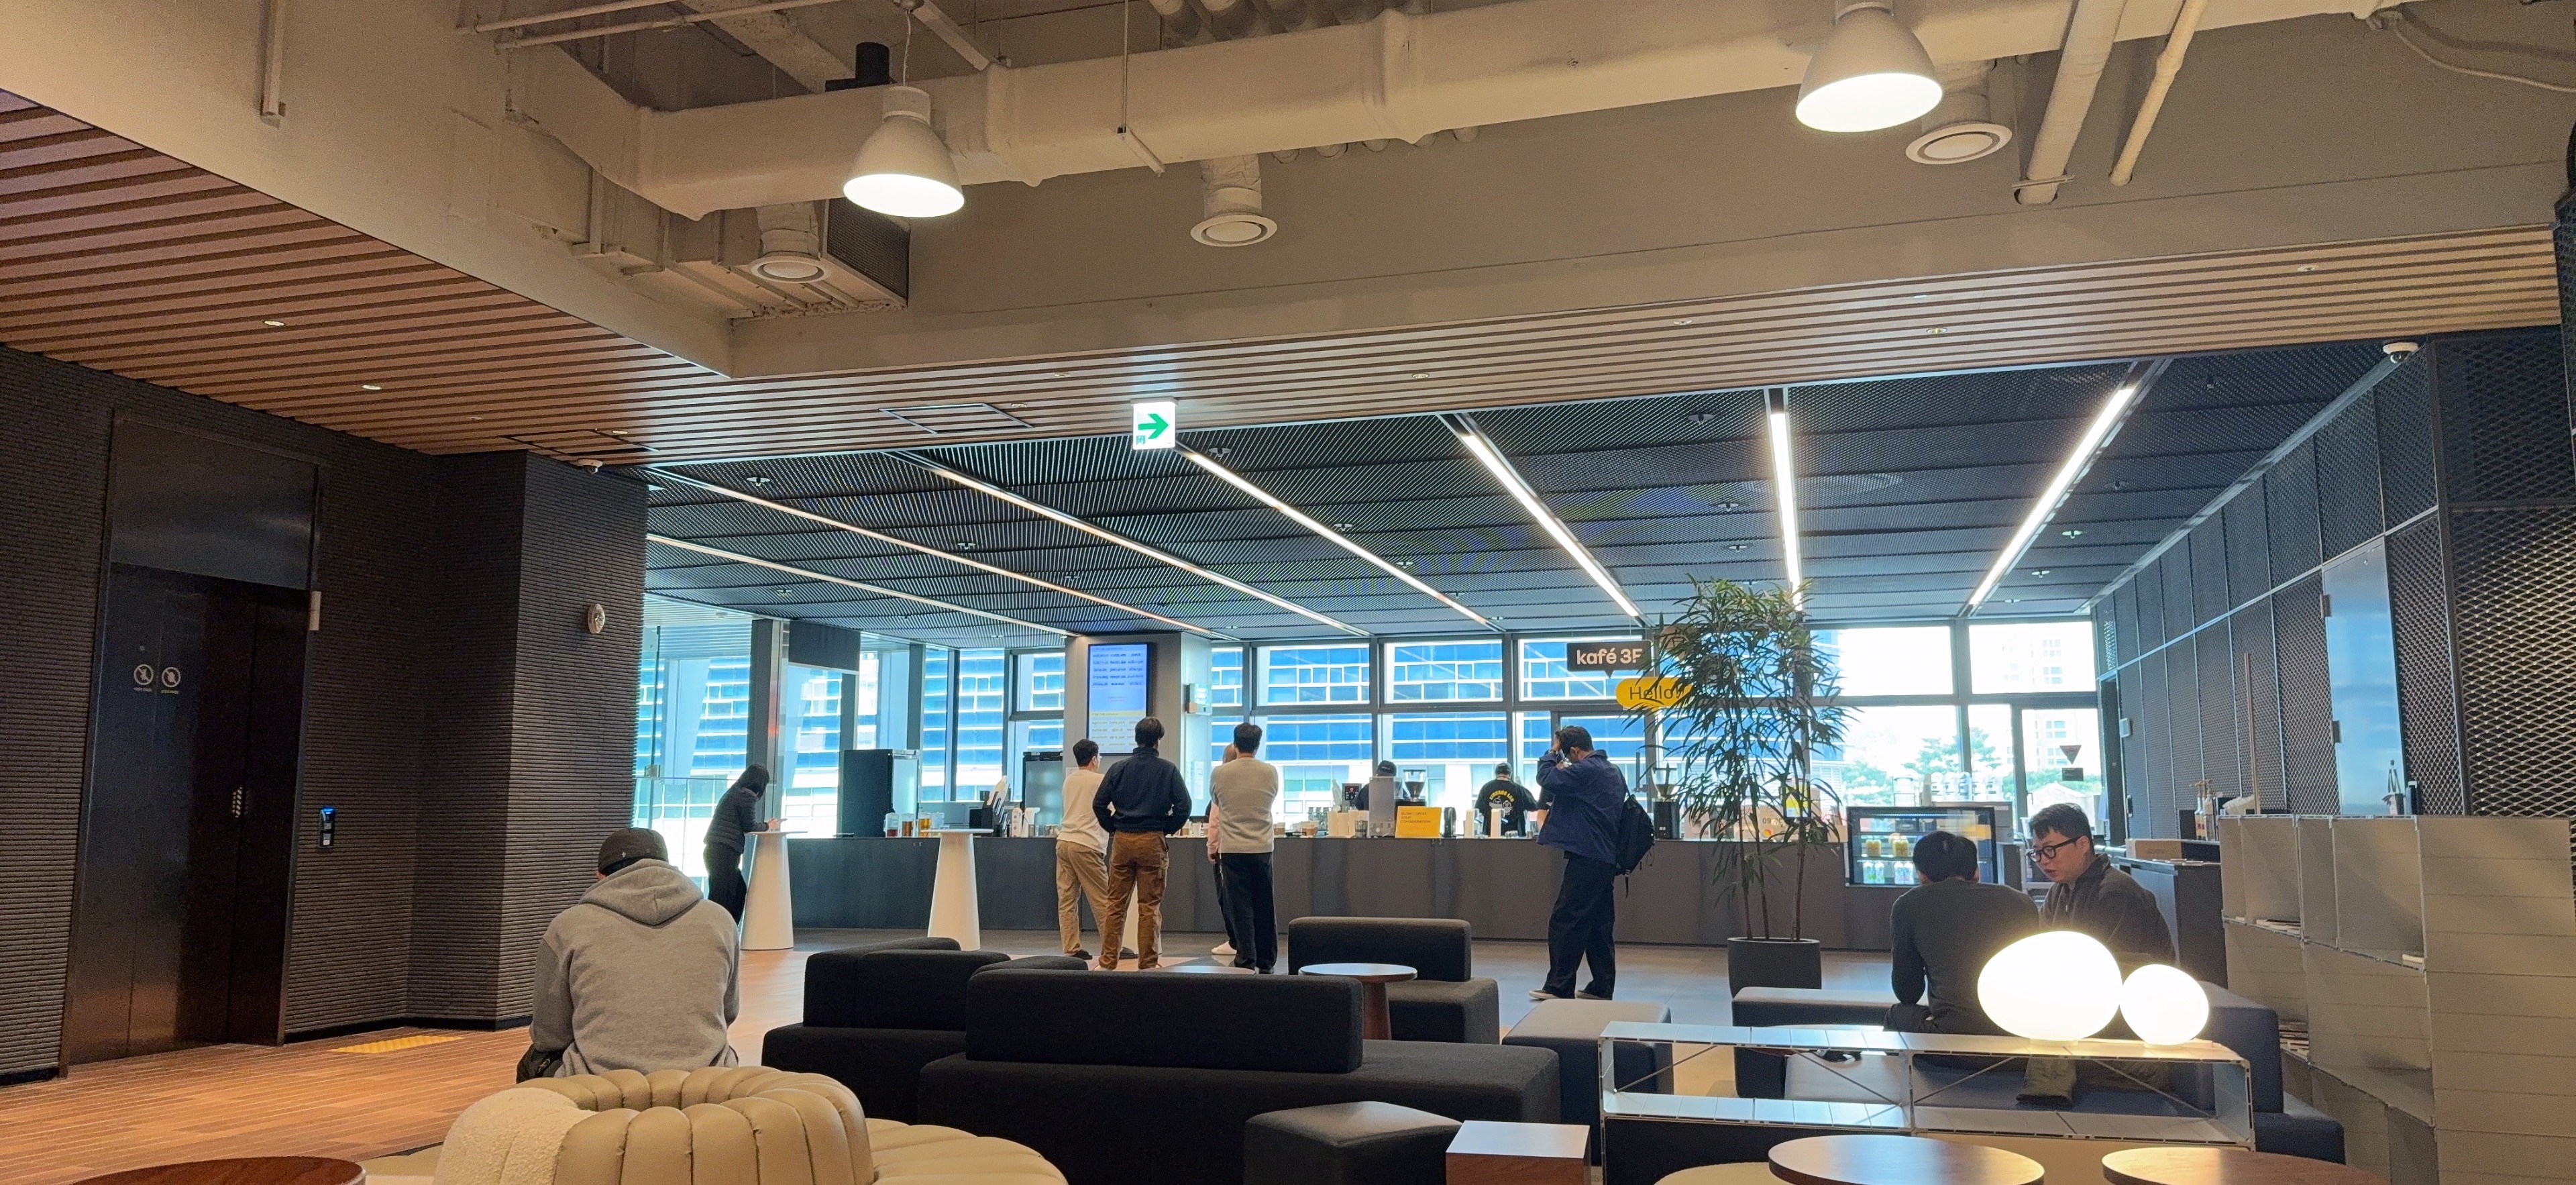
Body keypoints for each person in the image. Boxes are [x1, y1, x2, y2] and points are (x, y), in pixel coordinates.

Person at [526, 829, 740, 1078]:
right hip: (704, 1080)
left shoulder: (568, 926)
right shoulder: (720, 920)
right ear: (667, 867)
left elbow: (551, 1034)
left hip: (601, 1084)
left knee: (533, 1061)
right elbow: (728, 1011)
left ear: (600, 877)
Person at [2021, 802, 2176, 1104]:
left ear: (2082, 844)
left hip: (2134, 1035)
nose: (2043, 860)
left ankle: (2047, 1092)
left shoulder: (2116, 892)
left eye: (2050, 850)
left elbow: (2105, 978)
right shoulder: (2059, 892)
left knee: (2047, 1020)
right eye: (2037, 852)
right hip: (2093, 1025)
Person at [1885, 830, 2040, 1035]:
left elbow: (1908, 993)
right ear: (1976, 872)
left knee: (1898, 1014)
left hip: (1952, 1033)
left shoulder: (1908, 904)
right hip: (2021, 1029)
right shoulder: (2021, 901)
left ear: (1922, 876)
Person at [1532, 725, 1627, 1001]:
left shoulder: (1587, 770)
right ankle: (1602, 987)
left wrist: (1552, 752)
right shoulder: (1612, 770)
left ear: (1574, 751)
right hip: (1605, 857)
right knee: (1599, 924)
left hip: (1587, 856)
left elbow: (1547, 778)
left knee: (1566, 920)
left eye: (1566, 753)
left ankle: (1558, 986)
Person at [1091, 717, 1191, 970]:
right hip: (1152, 841)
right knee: (1149, 906)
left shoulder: (1118, 768)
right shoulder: (1168, 770)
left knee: (1115, 904)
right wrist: (1166, 828)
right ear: (1158, 741)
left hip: (1123, 840)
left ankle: (1107, 962)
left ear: (1136, 739)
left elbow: (1099, 803)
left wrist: (1113, 827)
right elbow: (1184, 806)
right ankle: (1147, 964)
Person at [1210, 723, 1283, 972]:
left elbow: (1217, 801)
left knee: (1239, 907)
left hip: (1232, 848)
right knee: (1265, 905)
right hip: (1262, 847)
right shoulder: (1270, 772)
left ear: (1235, 744)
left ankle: (1245, 959)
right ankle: (1267, 961)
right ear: (1258, 745)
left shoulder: (1220, 773)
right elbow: (1272, 797)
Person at [1053, 739, 1114, 960]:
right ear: (1094, 759)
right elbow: (1112, 810)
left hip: (1064, 841)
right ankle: (1112, 947)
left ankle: (1072, 948)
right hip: (1087, 844)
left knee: (1067, 900)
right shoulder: (1100, 780)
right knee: (1103, 898)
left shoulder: (1069, 780)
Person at [704, 764, 771, 921]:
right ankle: (721, 929)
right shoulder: (747, 796)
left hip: (715, 849)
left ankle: (726, 929)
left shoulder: (733, 792)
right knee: (727, 896)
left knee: (729, 893)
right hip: (725, 851)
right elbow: (750, 826)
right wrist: (768, 826)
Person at [1208, 742, 1242, 959]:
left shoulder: (1221, 781)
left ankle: (1235, 941)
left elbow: (1215, 820)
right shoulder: (1255, 780)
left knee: (1227, 897)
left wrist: (1212, 847)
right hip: (1254, 849)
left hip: (1226, 849)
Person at [1476, 763, 1538, 836]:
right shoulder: (1519, 789)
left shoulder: (1486, 788)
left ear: (1496, 774)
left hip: (1490, 834)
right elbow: (1534, 806)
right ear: (1510, 774)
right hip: (1514, 835)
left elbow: (1478, 810)